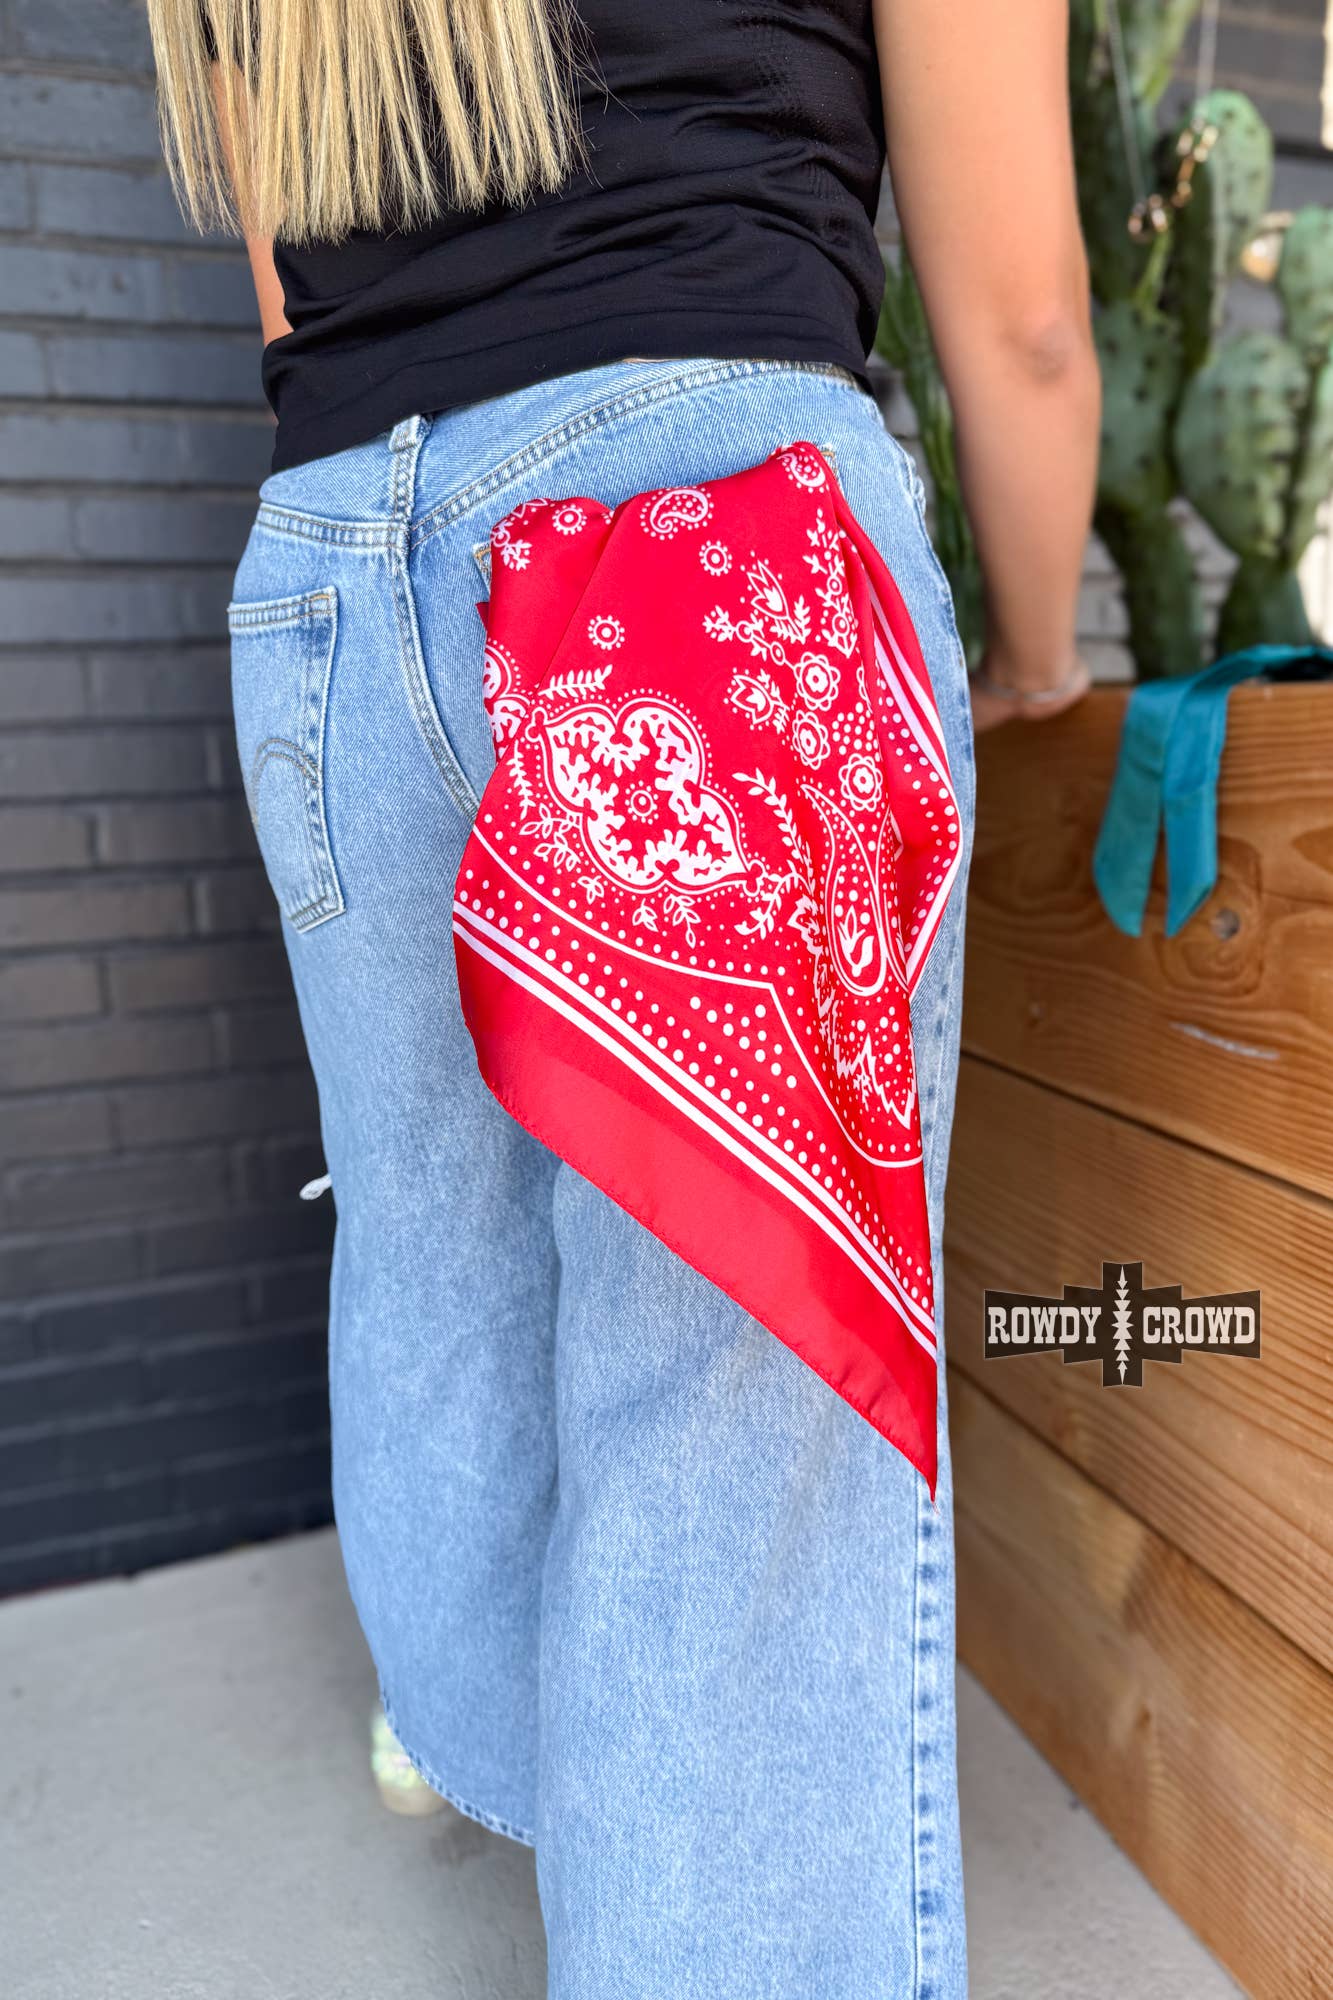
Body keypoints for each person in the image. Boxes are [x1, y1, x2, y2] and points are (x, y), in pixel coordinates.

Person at [146, 3, 1100, 1993]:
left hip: (332, 573)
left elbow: (284, 286)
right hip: (709, 547)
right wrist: (1034, 656)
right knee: (732, 1382)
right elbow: (1017, 316)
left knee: (434, 1243)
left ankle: (536, 1789)